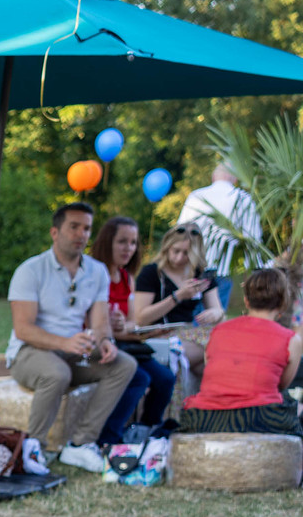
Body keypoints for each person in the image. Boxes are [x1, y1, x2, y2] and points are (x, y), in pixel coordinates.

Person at [4, 201, 137, 473]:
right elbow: (23, 329)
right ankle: (34, 448)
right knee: (56, 373)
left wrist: (105, 342)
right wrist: (65, 343)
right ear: (55, 232)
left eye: (87, 228)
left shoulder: (97, 271)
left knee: (124, 364)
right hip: (29, 352)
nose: (81, 234)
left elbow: (100, 323)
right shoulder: (30, 270)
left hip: (73, 350)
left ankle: (80, 444)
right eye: (74, 227)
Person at [180, 267, 303, 476]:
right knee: (290, 409)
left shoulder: (218, 331)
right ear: (284, 304)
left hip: (204, 416)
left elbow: (210, 369)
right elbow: (281, 385)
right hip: (257, 416)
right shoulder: (290, 339)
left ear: (247, 301)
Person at [87, 215, 168, 435]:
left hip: (125, 342)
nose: (128, 248)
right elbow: (86, 321)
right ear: (107, 242)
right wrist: (109, 326)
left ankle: (146, 431)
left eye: (133, 243)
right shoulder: (92, 274)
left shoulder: (127, 278)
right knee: (140, 378)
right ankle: (109, 435)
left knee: (165, 378)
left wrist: (127, 325)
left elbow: (133, 321)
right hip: (101, 343)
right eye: (122, 241)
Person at [132, 226, 225, 388]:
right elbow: (140, 319)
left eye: (186, 253)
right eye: (176, 251)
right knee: (218, 355)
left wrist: (214, 314)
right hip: (158, 334)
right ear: (167, 248)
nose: (179, 258)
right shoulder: (152, 273)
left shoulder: (200, 274)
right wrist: (178, 296)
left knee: (212, 364)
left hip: (187, 335)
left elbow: (220, 314)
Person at [177, 162, 262, 311]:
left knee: (191, 318)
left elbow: (179, 233)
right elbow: (253, 242)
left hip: (192, 267)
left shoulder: (196, 196)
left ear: (213, 177)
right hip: (222, 269)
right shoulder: (243, 199)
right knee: (215, 319)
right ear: (234, 179)